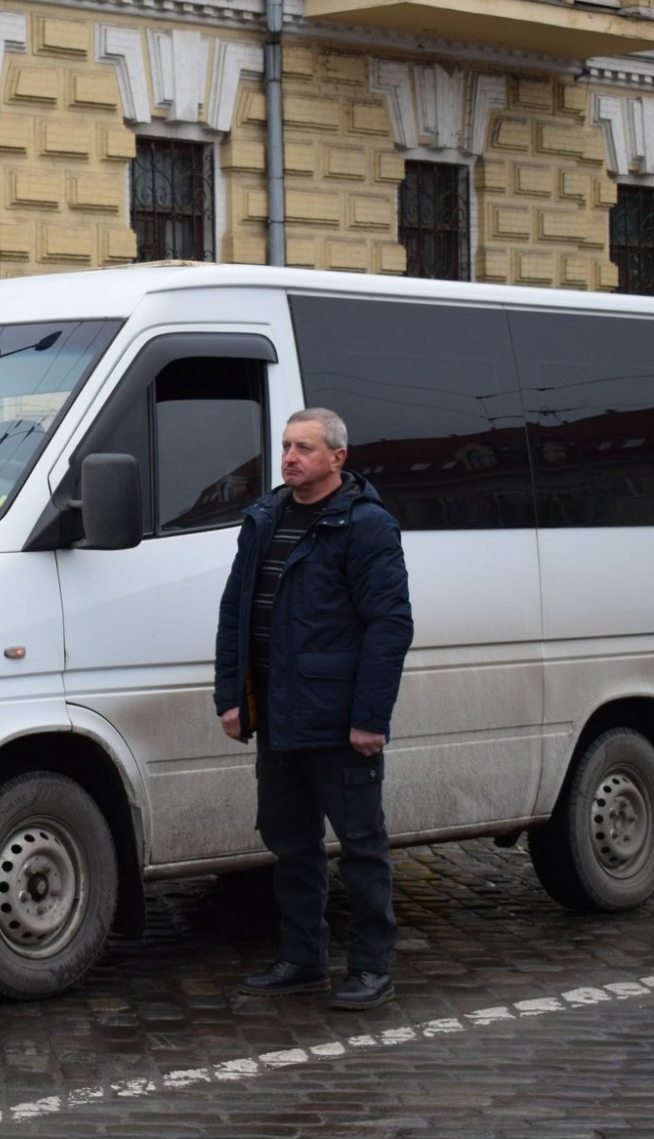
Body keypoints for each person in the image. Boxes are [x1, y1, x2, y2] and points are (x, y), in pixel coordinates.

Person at [214, 408, 413, 1011]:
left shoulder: (366, 526)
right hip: (277, 715)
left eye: (304, 447)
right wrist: (231, 697)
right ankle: (302, 959)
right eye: (285, 446)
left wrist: (370, 718)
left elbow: (390, 625)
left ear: (337, 458)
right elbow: (236, 611)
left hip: (337, 719)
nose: (290, 457)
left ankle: (372, 968)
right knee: (290, 843)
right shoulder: (265, 518)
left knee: (360, 846)